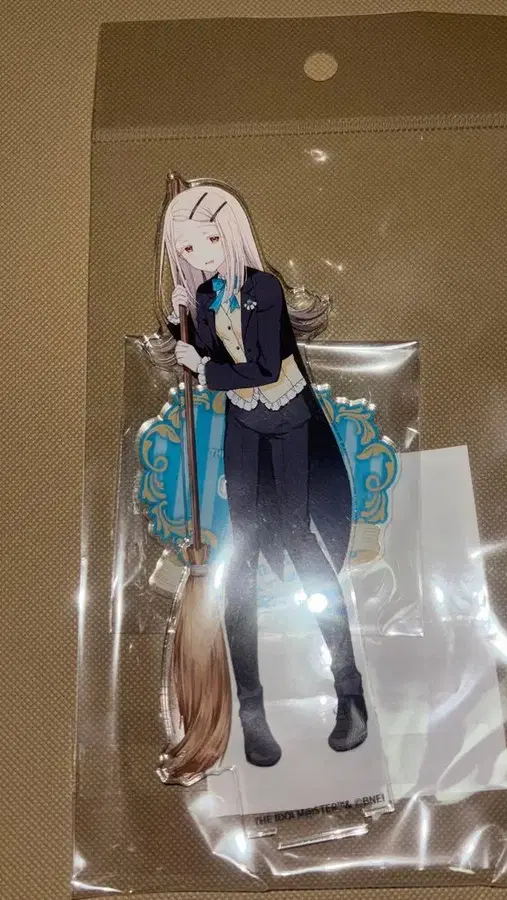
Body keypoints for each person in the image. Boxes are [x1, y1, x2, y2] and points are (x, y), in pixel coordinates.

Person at [161, 181, 367, 767]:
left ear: (229, 235)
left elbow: (262, 366)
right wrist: (182, 323)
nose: (198, 256)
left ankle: (349, 692)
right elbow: (210, 354)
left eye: (207, 242)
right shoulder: (204, 296)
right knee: (243, 552)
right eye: (185, 248)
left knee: (300, 540)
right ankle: (252, 710)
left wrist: (203, 368)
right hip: (244, 426)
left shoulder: (265, 289)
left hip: (288, 420)